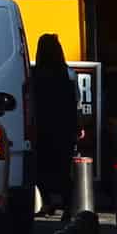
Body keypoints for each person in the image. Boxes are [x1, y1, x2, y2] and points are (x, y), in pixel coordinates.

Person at [29, 32, 79, 223]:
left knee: (41, 167)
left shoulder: (34, 73)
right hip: (64, 127)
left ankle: (47, 202)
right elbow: (76, 100)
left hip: (41, 126)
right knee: (63, 169)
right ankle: (68, 206)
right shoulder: (68, 73)